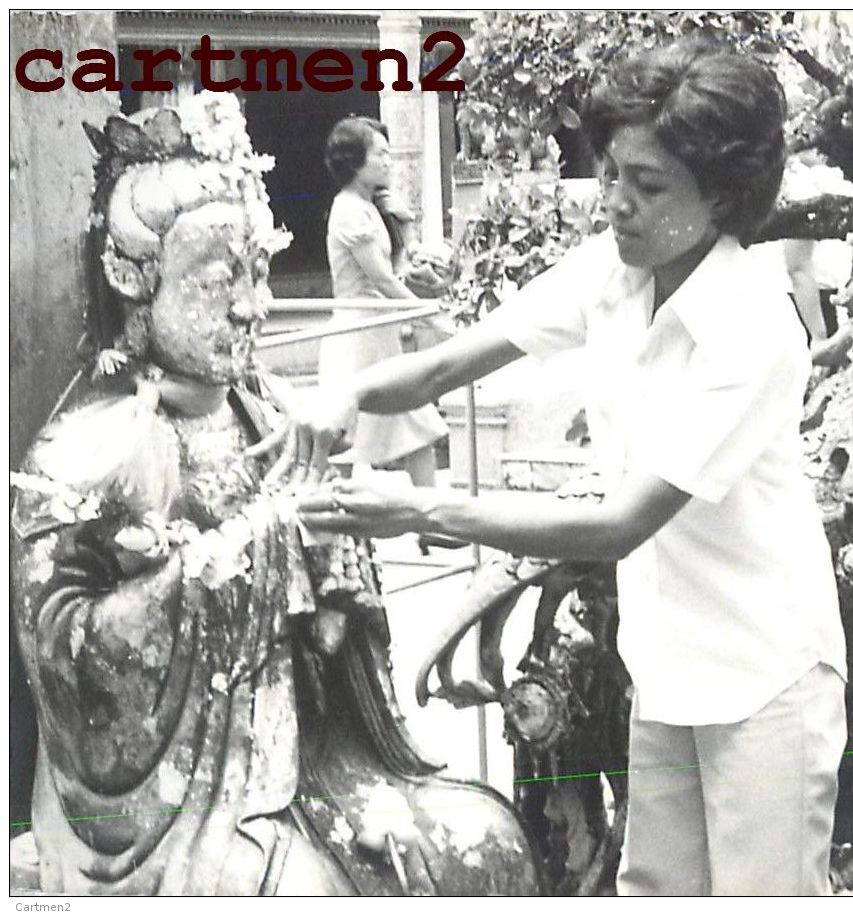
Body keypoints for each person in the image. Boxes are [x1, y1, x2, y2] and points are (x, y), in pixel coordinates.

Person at [256, 41, 848, 896]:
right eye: (609, 173)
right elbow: (446, 364)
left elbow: (618, 523)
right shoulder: (611, 272)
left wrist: (419, 511)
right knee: (657, 891)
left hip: (765, 669)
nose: (616, 203)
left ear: (721, 196)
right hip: (666, 655)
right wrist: (341, 399)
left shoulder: (753, 328)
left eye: (648, 188)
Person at [9, 94, 540, 896]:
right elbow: (69, 666)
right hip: (171, 805)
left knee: (481, 842)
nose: (252, 306)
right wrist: (251, 555)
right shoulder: (92, 448)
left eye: (259, 274)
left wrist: (335, 569)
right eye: (219, 281)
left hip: (312, 750)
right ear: (133, 277)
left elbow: (331, 637)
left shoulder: (273, 414)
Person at [319, 116, 446, 492]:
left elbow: (398, 271)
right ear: (355, 160)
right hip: (357, 332)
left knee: (412, 418)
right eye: (380, 154)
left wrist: (406, 229)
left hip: (378, 328)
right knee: (344, 436)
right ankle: (336, 527)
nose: (388, 161)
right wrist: (425, 315)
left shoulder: (370, 205)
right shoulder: (348, 210)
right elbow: (381, 279)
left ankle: (430, 516)